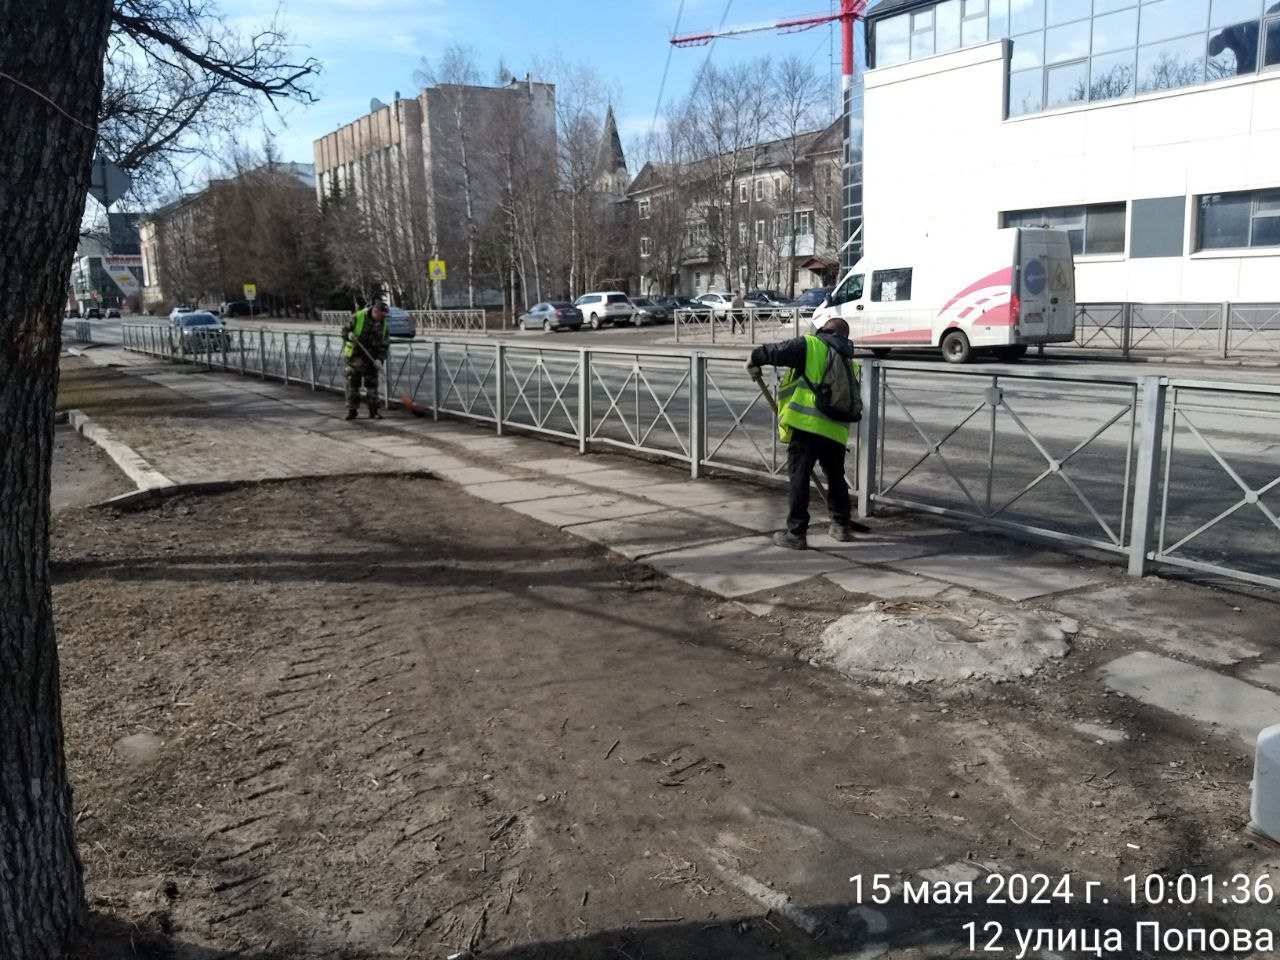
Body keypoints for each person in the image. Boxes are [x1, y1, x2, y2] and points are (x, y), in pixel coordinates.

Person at [747, 316, 860, 550]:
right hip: (836, 429)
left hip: (807, 425)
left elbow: (777, 351)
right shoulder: (850, 361)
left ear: (823, 330)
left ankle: (796, 532)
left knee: (799, 476)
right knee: (836, 476)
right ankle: (841, 526)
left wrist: (754, 357)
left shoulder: (812, 345)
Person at [341, 301, 390, 420]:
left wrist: (380, 359)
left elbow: (384, 344)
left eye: (385, 316)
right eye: (382, 315)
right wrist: (349, 335)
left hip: (371, 360)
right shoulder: (357, 317)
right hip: (355, 358)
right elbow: (344, 331)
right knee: (353, 386)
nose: (383, 318)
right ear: (375, 311)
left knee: (372, 387)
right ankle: (352, 411)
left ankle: (374, 411)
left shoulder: (384, 325)